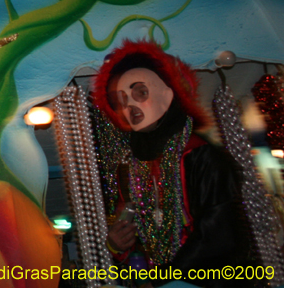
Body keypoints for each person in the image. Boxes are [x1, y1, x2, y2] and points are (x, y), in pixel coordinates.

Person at [91, 40, 250, 287]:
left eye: (140, 92)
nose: (130, 106)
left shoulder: (200, 156)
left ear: (167, 95)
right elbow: (133, 237)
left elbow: (217, 234)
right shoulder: (132, 171)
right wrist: (116, 244)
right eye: (121, 100)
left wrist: (163, 278)